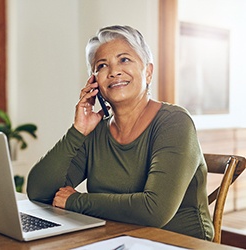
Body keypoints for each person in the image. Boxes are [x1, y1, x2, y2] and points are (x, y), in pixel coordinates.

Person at [27, 25, 214, 240]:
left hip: (176, 243)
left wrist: (75, 201)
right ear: (94, 82)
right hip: (114, 239)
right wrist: (78, 131)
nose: (114, 71)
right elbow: (39, 191)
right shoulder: (96, 131)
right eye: (102, 65)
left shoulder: (174, 122)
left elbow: (154, 210)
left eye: (124, 59)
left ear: (148, 71)